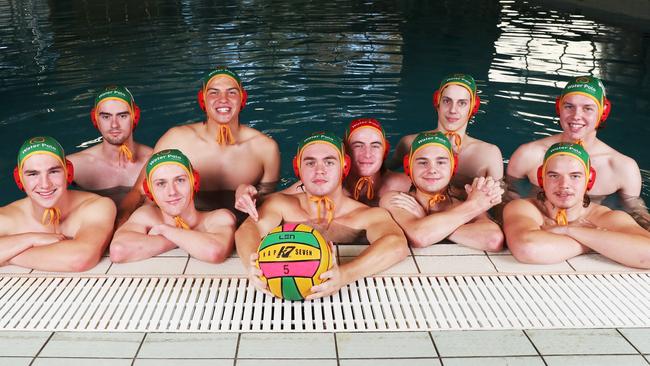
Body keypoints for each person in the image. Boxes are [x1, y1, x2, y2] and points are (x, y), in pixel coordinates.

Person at [235, 132, 409, 299]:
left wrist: (345, 274)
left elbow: (396, 244)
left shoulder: (365, 215)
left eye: (329, 162)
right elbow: (247, 229)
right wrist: (254, 267)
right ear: (298, 169)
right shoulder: (281, 205)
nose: (319, 170)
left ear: (344, 167)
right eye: (310, 163)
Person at [118, 67, 280, 225]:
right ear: (203, 99)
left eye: (231, 92)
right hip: (183, 223)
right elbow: (139, 192)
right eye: (214, 92)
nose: (223, 99)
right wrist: (121, 224)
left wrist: (250, 194)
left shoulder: (265, 148)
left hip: (237, 225)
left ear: (242, 99)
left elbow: (268, 201)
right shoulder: (176, 139)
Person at [507, 75, 649, 230]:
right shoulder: (529, 154)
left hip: (592, 232)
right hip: (539, 227)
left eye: (587, 108)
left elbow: (636, 211)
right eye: (569, 106)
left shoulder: (622, 167)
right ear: (559, 108)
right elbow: (507, 197)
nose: (576, 116)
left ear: (603, 112)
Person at [504, 142, 650, 268]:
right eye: (554, 175)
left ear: (589, 180)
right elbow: (527, 249)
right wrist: (597, 240)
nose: (564, 185)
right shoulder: (523, 208)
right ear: (542, 178)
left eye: (575, 176)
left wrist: (570, 230)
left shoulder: (606, 216)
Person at [0, 136, 116, 272]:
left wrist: (8, 255)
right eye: (33, 174)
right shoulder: (6, 217)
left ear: (68, 173)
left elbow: (79, 259)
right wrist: (31, 239)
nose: (45, 184)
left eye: (53, 171)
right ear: (19, 179)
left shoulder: (96, 207)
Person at [380, 132, 504, 251]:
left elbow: (493, 240)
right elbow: (419, 237)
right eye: (423, 162)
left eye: (440, 162)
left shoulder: (464, 201)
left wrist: (427, 220)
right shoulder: (397, 200)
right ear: (409, 167)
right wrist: (474, 206)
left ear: (453, 167)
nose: (432, 170)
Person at [110, 149, 235, 263]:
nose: (172, 192)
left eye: (180, 180)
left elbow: (215, 252)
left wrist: (164, 230)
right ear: (149, 190)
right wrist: (183, 236)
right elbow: (118, 251)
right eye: (161, 184)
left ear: (194, 182)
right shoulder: (146, 215)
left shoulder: (219, 217)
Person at [388, 73, 503, 191]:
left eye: (462, 103)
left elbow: (500, 201)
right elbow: (384, 176)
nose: (453, 110)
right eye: (447, 101)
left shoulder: (489, 154)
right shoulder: (409, 143)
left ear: (473, 106)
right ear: (437, 102)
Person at [282, 118, 411, 206]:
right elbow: (272, 200)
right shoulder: (321, 182)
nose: (367, 154)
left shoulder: (405, 185)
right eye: (358, 145)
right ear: (345, 153)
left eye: (375, 146)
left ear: (385, 151)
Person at [68, 85, 153, 205]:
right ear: (95, 119)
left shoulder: (153, 161)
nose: (114, 125)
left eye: (122, 116)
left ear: (135, 117)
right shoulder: (74, 166)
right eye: (106, 117)